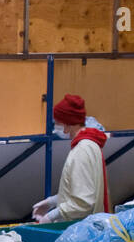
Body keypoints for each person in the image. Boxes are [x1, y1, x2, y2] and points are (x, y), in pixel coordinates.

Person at [31, 93, 110, 223]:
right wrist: (52, 202)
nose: (56, 128)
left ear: (68, 124)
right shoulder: (91, 144)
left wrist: (51, 216)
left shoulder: (82, 151)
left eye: (57, 123)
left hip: (81, 228)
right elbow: (81, 189)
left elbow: (83, 202)